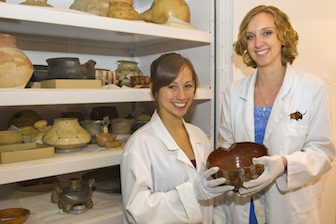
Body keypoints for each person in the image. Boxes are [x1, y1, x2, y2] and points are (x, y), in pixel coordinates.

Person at [217, 5, 335, 224]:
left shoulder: (312, 88)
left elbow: (323, 152)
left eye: (267, 33)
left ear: (283, 36)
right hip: (243, 207)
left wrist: (284, 164)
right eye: (250, 36)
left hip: (289, 207)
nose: (258, 43)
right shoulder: (234, 92)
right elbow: (227, 147)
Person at [121, 53, 234, 224]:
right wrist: (192, 193)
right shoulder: (140, 144)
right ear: (154, 90)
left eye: (187, 86)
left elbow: (214, 199)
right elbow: (137, 211)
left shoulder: (200, 136)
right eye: (172, 87)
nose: (182, 96)